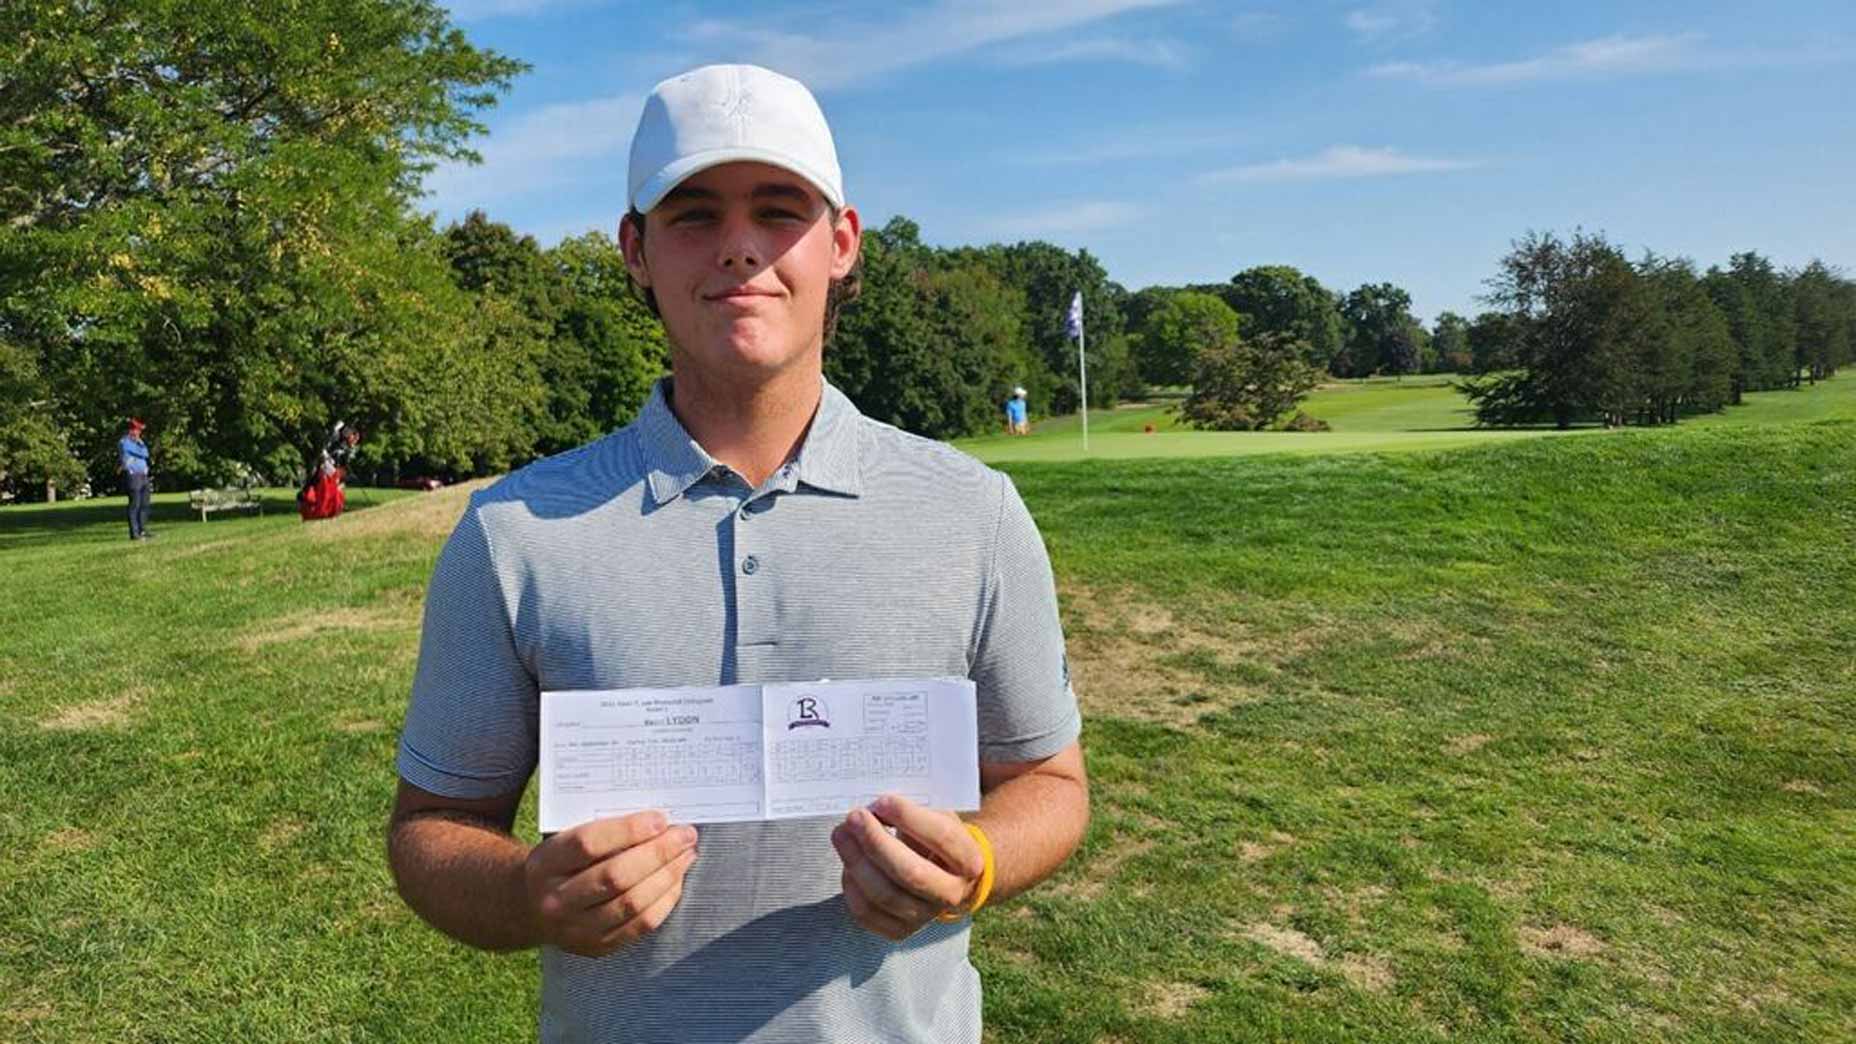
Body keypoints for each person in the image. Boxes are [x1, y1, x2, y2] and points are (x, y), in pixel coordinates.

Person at [387, 64, 1088, 1043]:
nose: (740, 249)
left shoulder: (973, 510)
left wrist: (973, 859)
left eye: (777, 209)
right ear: (633, 250)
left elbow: (1049, 787)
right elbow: (429, 830)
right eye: (692, 215)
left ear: (840, 242)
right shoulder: (515, 532)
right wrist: (525, 897)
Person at [119, 417, 153, 541]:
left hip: (143, 475)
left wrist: (140, 445)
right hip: (133, 475)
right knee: (135, 504)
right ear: (130, 430)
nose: (138, 433)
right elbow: (141, 453)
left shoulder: (139, 442)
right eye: (136, 430)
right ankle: (134, 533)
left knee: (145, 504)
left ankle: (142, 530)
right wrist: (140, 447)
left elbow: (146, 453)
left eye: (139, 430)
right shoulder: (124, 442)